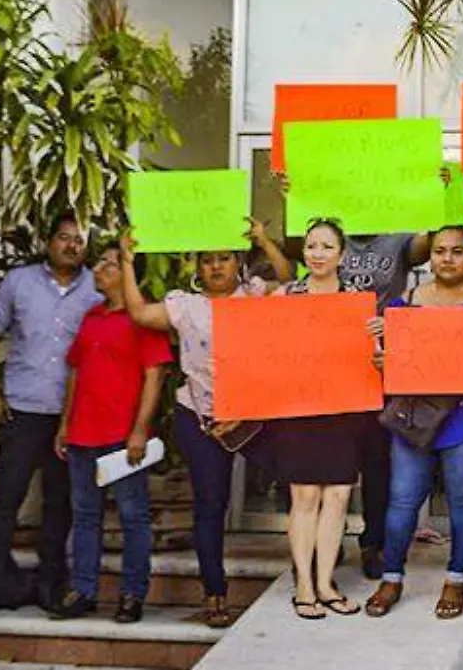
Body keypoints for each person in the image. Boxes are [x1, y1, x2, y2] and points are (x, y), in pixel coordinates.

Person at [277, 169, 450, 580]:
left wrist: (435, 199)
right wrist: (291, 201)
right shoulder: (324, 245)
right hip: (320, 375)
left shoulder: (396, 237)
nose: (320, 252)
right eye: (316, 247)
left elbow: (424, 247)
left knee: (376, 460)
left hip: (376, 367)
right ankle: (319, 547)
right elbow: (296, 250)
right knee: (314, 467)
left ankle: (373, 543)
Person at [120, 219, 292, 628]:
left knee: (296, 482)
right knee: (210, 506)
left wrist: (264, 241)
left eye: (224, 258)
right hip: (199, 418)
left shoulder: (255, 295)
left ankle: (311, 571)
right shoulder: (185, 305)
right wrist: (127, 261)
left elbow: (290, 281)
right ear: (198, 267)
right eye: (208, 260)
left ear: (238, 263)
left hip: (252, 416)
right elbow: (140, 312)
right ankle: (214, 593)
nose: (216, 266)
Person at [364, 226, 463, 621]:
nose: (447, 258)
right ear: (430, 257)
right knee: (403, 497)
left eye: (456, 251)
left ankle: (456, 578)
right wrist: (383, 360)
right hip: (416, 415)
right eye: (439, 251)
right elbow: (392, 358)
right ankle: (391, 576)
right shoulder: (406, 303)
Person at [0, 214, 104, 619]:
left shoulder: (96, 289)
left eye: (79, 240)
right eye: (64, 237)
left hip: (72, 416)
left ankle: (49, 583)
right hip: (23, 408)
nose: (72, 246)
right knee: (7, 496)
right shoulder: (19, 281)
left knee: (60, 501)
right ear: (48, 242)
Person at [244, 219, 370, 620]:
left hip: (343, 409)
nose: (318, 254)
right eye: (312, 246)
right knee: (305, 496)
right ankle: (303, 585)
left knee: (338, 497)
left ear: (342, 255)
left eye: (327, 247)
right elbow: (260, 346)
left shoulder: (357, 300)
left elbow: (369, 356)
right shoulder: (285, 296)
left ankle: (326, 583)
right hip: (297, 409)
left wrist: (377, 335)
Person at [50, 243, 172, 624]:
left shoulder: (144, 317)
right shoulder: (91, 317)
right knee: (85, 516)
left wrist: (140, 431)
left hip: (122, 438)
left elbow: (155, 376)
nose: (98, 269)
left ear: (128, 273)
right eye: (99, 262)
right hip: (82, 436)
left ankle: (132, 594)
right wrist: (65, 425)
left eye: (108, 264)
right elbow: (75, 371)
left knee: (133, 516)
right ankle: (82, 591)